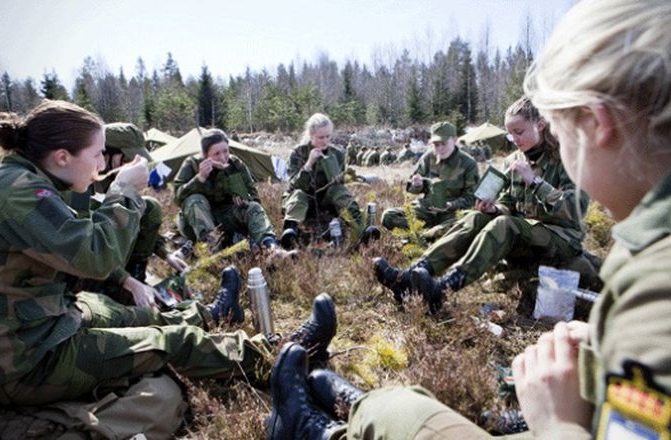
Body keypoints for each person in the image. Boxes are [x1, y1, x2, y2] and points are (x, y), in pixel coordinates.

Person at [267, 0, 671, 437]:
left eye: (562, 130)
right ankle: (421, 274)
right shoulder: (645, 257)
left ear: (596, 124)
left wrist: (556, 421)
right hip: (524, 234)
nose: (522, 141)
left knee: (401, 411)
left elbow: (570, 213)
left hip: (558, 237)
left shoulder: (653, 284)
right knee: (484, 221)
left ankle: (331, 424)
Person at [0, 100, 337, 433]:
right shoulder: (19, 192)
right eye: (97, 155)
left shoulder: (20, 181)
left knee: (135, 316)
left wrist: (128, 275)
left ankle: (213, 320)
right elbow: (95, 255)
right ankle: (277, 358)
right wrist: (123, 191)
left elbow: (70, 249)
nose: (101, 166)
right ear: (63, 156)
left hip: (39, 327)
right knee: (170, 342)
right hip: (25, 359)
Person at [374, 97, 588, 311]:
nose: (514, 139)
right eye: (510, 134)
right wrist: (495, 208)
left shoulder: (567, 157)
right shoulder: (514, 160)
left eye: (519, 132)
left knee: (504, 224)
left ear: (540, 124)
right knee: (477, 217)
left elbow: (576, 209)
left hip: (561, 237)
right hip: (524, 234)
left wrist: (535, 182)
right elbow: (509, 203)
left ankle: (443, 289)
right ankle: (412, 276)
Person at [67, 122, 188, 307]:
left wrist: (166, 254)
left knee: (148, 206)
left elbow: (130, 219)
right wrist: (126, 281)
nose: (132, 167)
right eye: (127, 161)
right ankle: (119, 290)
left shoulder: (111, 180)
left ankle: (136, 276)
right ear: (107, 155)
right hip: (82, 272)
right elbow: (85, 250)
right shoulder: (78, 187)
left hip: (111, 260)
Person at [173, 128, 291, 255]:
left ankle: (271, 247)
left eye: (226, 151)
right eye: (216, 154)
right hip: (196, 223)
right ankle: (213, 252)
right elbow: (178, 198)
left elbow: (254, 198)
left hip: (226, 219)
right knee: (195, 199)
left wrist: (245, 202)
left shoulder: (235, 165)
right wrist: (199, 178)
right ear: (205, 155)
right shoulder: (192, 164)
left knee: (253, 207)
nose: (223, 158)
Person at [280, 113, 375, 249]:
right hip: (303, 199)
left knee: (340, 191)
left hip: (327, 200)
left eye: (328, 137)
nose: (325, 141)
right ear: (311, 135)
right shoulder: (298, 153)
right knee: (298, 195)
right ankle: (290, 231)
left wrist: (339, 180)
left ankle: (361, 227)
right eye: (320, 137)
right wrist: (308, 164)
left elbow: (342, 184)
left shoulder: (337, 154)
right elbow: (293, 185)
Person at [380, 122, 479, 239]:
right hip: (426, 210)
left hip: (451, 214)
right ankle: (430, 235)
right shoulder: (428, 157)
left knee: (467, 222)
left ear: (455, 140)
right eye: (436, 144)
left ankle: (425, 235)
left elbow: (471, 198)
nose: (440, 148)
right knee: (388, 216)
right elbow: (412, 187)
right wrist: (417, 185)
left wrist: (450, 205)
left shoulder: (469, 163)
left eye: (444, 143)